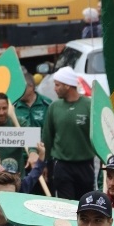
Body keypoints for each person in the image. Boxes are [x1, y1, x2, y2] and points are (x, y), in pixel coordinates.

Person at [42, 66, 95, 199]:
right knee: (66, 205)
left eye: (57, 85)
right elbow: (47, 137)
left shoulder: (89, 105)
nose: (55, 88)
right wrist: (44, 163)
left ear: (67, 86)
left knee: (84, 203)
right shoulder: (54, 107)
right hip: (62, 165)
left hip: (85, 165)